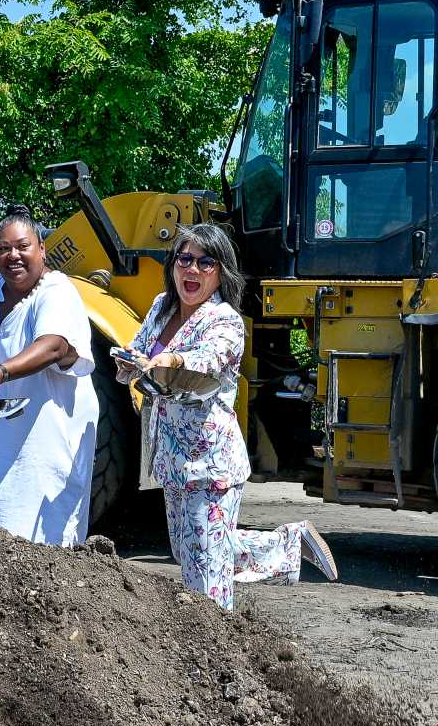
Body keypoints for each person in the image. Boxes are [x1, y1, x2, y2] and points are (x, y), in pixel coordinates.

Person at [116, 223, 339, 611]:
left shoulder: (226, 321)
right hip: (170, 459)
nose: (193, 269)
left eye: (206, 262)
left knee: (205, 571)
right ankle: (289, 543)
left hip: (210, 463)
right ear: (173, 265)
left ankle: (213, 641)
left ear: (221, 272)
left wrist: (171, 359)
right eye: (185, 259)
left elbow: (208, 360)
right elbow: (139, 349)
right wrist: (131, 361)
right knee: (190, 550)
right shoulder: (161, 307)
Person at [0, 204, 99, 545]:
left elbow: (54, 345)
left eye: (22, 246)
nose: (13, 256)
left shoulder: (56, 291)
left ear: (41, 249)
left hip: (43, 441)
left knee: (38, 541)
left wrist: (2, 371)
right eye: (3, 249)